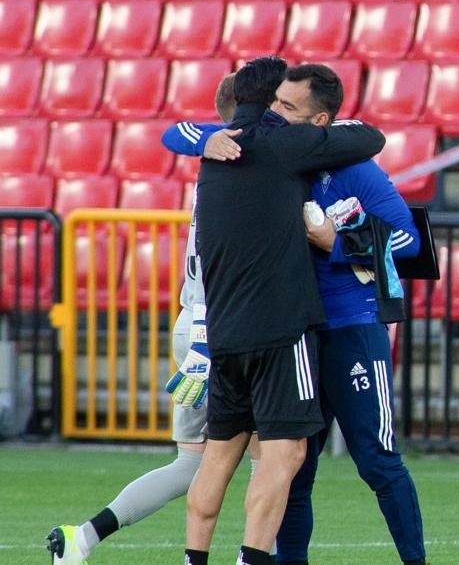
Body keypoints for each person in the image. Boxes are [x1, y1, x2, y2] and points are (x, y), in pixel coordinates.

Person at [164, 63, 427, 565]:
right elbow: (177, 132)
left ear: (320, 120)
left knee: (377, 461)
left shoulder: (353, 169)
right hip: (292, 334)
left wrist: (340, 243)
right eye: (274, 103)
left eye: (288, 108)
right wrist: (202, 141)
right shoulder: (270, 152)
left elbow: (409, 240)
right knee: (293, 470)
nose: (275, 114)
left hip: (351, 325)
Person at [46, 74, 247, 565]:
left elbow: (175, 131)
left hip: (192, 322)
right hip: (226, 327)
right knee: (276, 461)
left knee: (188, 464)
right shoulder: (249, 169)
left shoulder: (210, 166)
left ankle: (83, 539)